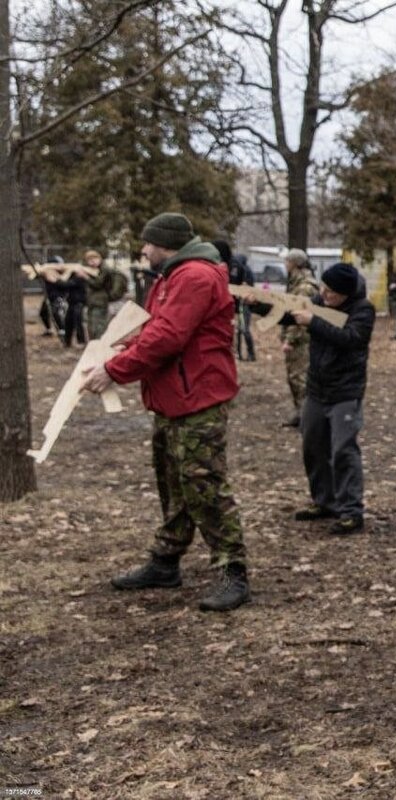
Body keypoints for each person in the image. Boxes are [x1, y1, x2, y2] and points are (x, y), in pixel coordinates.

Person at [81, 212, 249, 613]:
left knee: (204, 486)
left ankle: (233, 571)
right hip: (174, 399)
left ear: (165, 243)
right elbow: (154, 329)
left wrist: (114, 371)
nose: (143, 249)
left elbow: (168, 337)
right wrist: (117, 350)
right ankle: (166, 561)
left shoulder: (193, 277)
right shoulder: (171, 277)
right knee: (175, 484)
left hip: (198, 400)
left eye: (147, 243)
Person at [288, 262, 376, 535]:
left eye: (331, 292)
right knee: (312, 446)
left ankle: (351, 511)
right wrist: (257, 304)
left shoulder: (363, 310)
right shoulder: (319, 300)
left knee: (343, 450)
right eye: (323, 289)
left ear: (346, 295)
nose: (324, 294)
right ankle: (324, 501)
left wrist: (313, 322)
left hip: (345, 391)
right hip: (317, 389)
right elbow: (287, 314)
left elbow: (350, 337)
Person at [281, 248, 319, 426]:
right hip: (297, 338)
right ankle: (300, 413)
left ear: (294, 264)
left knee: (300, 378)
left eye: (287, 261)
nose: (285, 265)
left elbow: (299, 316)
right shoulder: (296, 284)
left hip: (301, 340)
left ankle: (307, 417)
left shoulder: (304, 287)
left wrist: (290, 339)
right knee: (293, 377)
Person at [214, 240, 256, 362]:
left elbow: (245, 285)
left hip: (241, 303)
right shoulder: (218, 265)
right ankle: (237, 354)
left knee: (244, 330)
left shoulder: (237, 267)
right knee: (235, 331)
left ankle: (250, 353)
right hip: (228, 304)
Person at [83, 249, 125, 340]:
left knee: (98, 327)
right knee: (91, 326)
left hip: (100, 302)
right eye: (89, 260)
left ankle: (99, 344)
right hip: (92, 302)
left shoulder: (105, 270)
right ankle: (94, 344)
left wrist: (85, 277)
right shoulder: (93, 270)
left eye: (94, 258)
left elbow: (98, 283)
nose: (92, 262)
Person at [60, 261, 90, 347]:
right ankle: (67, 342)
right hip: (72, 303)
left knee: (78, 322)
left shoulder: (80, 279)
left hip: (79, 303)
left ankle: (81, 341)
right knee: (68, 322)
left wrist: (57, 280)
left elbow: (65, 284)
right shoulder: (73, 277)